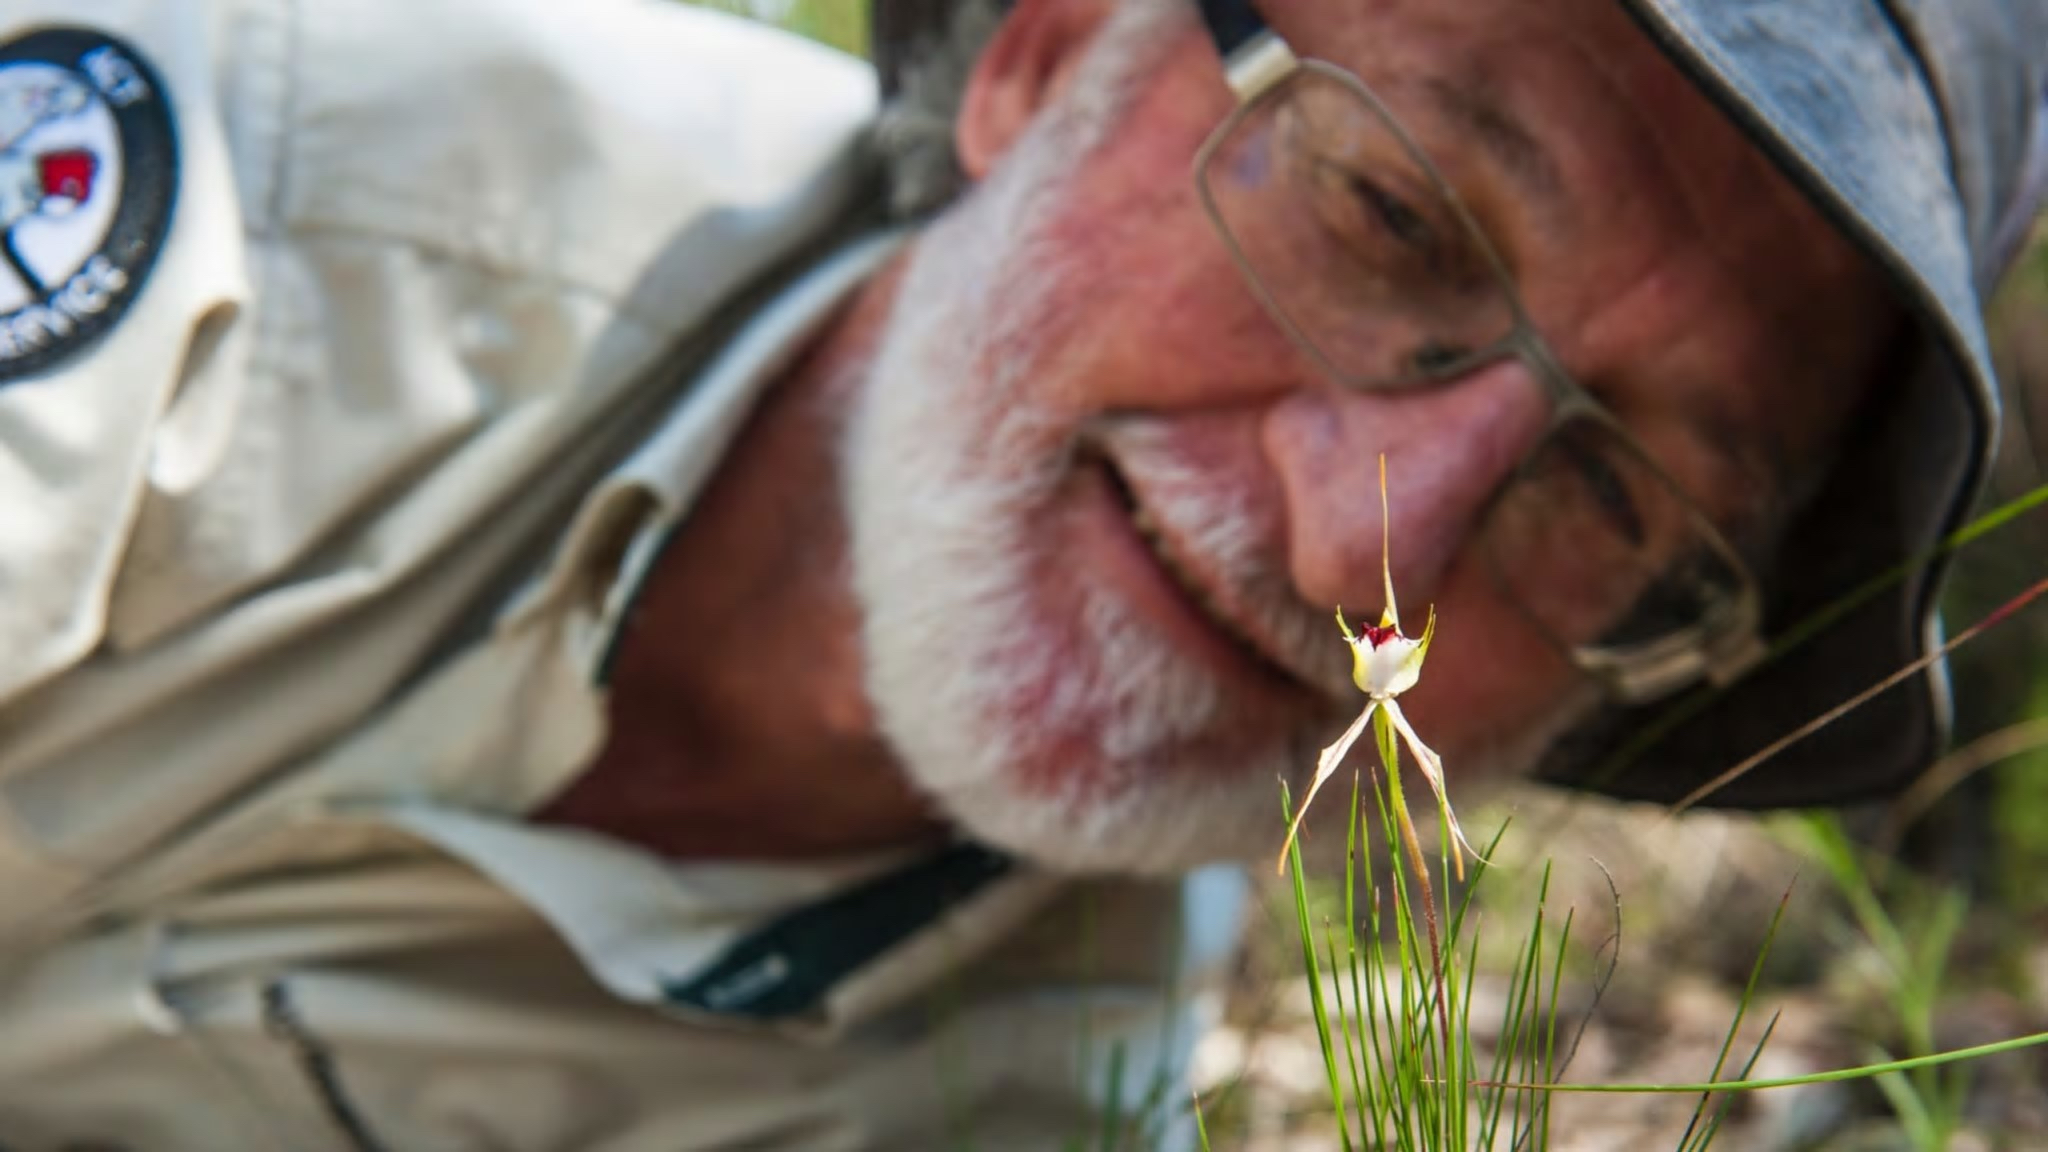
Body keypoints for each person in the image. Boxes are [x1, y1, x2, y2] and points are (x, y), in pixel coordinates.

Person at [0, 0, 2038, 1147]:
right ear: (1045, 48)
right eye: (1387, 215)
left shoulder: (1001, 1113)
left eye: (1616, 501)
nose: (1366, 549)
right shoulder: (277, 185)